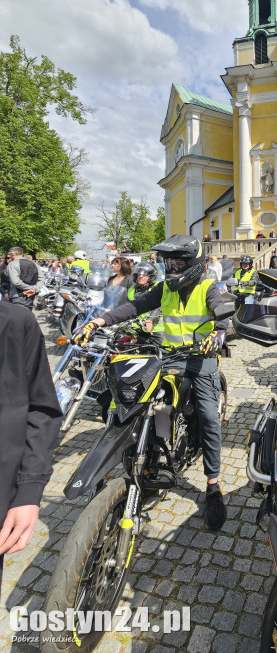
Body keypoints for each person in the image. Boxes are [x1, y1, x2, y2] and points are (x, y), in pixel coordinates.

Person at [74, 236, 229, 530]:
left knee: (209, 417)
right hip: (168, 357)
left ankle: (213, 485)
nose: (172, 268)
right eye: (168, 262)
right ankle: (147, 457)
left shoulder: (207, 288)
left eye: (178, 262)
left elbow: (221, 311)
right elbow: (135, 306)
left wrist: (219, 332)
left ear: (194, 263)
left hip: (200, 358)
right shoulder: (164, 289)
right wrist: (98, 322)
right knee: (141, 402)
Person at [0, 303, 62, 594]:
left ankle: (212, 481)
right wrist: (97, 320)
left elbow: (41, 409)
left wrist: (28, 489)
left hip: (192, 355)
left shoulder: (14, 320)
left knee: (204, 405)